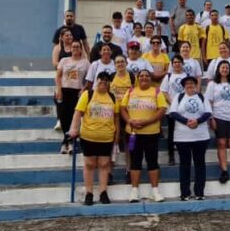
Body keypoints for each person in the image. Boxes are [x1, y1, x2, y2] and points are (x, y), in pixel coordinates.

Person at [68, 71, 118, 205]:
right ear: (96, 81)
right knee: (89, 164)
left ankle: (103, 192)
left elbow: (116, 117)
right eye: (101, 80)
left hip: (106, 137)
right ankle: (89, 193)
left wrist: (117, 133)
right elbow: (78, 113)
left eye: (106, 81)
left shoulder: (112, 97)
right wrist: (74, 128)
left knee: (104, 164)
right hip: (88, 136)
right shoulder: (87, 95)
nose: (103, 83)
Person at [120, 69, 169, 203]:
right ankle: (134, 191)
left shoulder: (156, 91)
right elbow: (122, 108)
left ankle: (155, 191)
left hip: (151, 133)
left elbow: (162, 109)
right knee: (135, 161)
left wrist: (147, 122)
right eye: (141, 76)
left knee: (152, 161)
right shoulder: (130, 91)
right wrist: (130, 121)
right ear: (138, 78)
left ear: (150, 78)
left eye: (147, 76)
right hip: (133, 134)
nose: (144, 78)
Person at [167, 76, 213, 200]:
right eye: (187, 83)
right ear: (183, 86)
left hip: (200, 136)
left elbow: (208, 112)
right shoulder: (178, 97)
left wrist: (197, 121)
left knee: (200, 164)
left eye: (192, 83)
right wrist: (187, 121)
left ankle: (199, 192)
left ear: (195, 85)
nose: (189, 85)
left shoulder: (201, 97)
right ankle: (185, 193)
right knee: (184, 165)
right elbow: (173, 113)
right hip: (182, 137)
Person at [207, 61, 230, 184]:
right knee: (221, 143)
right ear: (218, 69)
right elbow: (209, 102)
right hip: (219, 116)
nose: (225, 69)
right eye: (223, 67)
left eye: (227, 67)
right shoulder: (212, 84)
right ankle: (224, 171)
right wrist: (211, 118)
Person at [55, 40, 89, 154]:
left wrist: (84, 89)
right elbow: (58, 76)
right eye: (73, 46)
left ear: (81, 49)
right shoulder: (64, 60)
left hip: (77, 92)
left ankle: (69, 142)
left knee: (73, 116)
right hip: (64, 90)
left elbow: (89, 79)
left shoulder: (85, 63)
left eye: (77, 46)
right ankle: (66, 142)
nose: (75, 48)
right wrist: (59, 90)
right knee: (64, 117)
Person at [161, 55, 190, 166]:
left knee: (185, 132)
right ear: (172, 64)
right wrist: (173, 103)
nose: (177, 64)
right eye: (175, 62)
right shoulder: (168, 76)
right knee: (172, 133)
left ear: (182, 63)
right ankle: (171, 156)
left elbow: (190, 91)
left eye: (179, 62)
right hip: (172, 109)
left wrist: (182, 104)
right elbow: (164, 92)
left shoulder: (187, 76)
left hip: (185, 110)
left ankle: (185, 156)